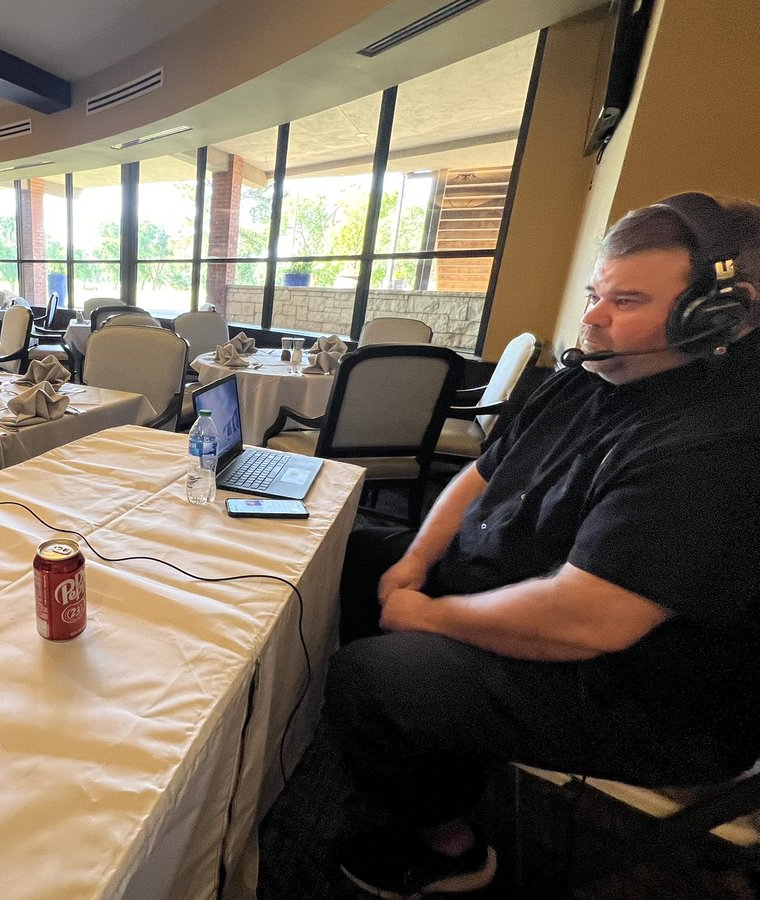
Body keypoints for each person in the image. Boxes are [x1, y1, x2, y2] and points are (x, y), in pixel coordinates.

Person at [300, 192, 760, 898]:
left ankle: (452, 848)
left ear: (722, 315)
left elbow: (590, 619)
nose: (595, 319)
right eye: (594, 294)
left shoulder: (721, 438)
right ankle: (420, 749)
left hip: (642, 689)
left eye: (626, 301)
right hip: (532, 593)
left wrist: (426, 615)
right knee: (351, 550)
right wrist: (414, 565)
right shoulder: (592, 372)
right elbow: (480, 476)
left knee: (372, 676)